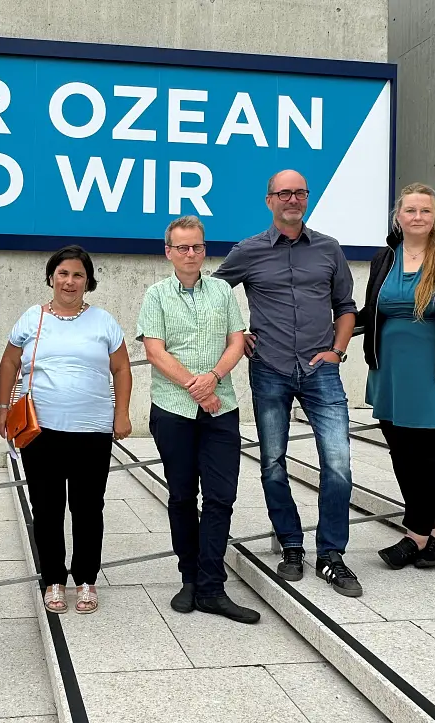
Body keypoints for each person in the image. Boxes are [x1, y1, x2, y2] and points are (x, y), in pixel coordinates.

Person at [213, 170, 363, 597]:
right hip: (270, 368)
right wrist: (236, 336)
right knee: (273, 463)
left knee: (338, 463)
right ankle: (291, 545)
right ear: (270, 200)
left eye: (299, 193)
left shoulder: (329, 249)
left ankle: (331, 554)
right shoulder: (249, 250)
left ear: (306, 198)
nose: (292, 199)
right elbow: (213, 297)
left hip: (321, 369)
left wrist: (337, 351)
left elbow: (345, 306)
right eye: (284, 193)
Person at [0, 245, 132, 614]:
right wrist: (2, 407)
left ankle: (86, 579)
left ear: (88, 281)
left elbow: (121, 369)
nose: (70, 281)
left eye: (78, 275)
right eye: (63, 274)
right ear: (51, 277)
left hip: (93, 430)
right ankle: (53, 579)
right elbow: (8, 363)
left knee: (88, 507)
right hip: (41, 431)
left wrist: (121, 413)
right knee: (46, 508)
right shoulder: (32, 318)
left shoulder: (103, 321)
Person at [137, 215, 259, 624]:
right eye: (183, 247)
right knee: (182, 497)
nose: (191, 254)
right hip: (173, 410)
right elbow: (155, 351)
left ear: (205, 250)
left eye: (198, 247)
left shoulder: (222, 290)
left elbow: (236, 341)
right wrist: (197, 387)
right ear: (168, 252)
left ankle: (212, 586)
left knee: (221, 497)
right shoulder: (156, 295)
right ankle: (189, 578)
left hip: (221, 409)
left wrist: (213, 379)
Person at [360, 183, 435, 569]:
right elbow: (370, 312)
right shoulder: (385, 258)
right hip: (390, 374)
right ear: (398, 216)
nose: (418, 217)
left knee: (432, 456)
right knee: (401, 453)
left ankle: (414, 534)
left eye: (425, 211)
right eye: (410, 210)